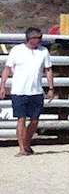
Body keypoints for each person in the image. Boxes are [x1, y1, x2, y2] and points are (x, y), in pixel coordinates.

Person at [7, 26, 52, 156]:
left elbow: (48, 69)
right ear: (30, 38)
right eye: (37, 38)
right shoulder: (17, 50)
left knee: (34, 121)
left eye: (40, 38)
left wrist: (51, 88)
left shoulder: (43, 51)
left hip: (36, 91)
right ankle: (22, 148)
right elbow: (7, 68)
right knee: (21, 119)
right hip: (19, 91)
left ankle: (26, 143)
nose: (39, 40)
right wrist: (3, 85)